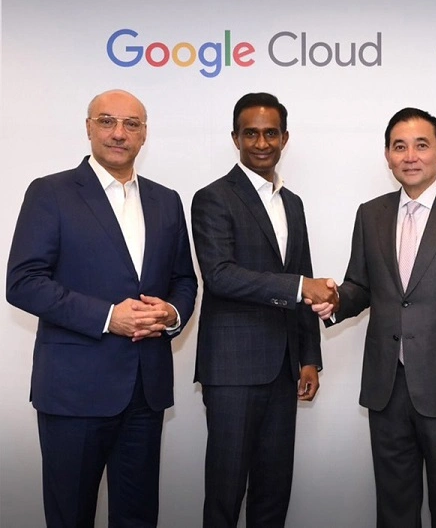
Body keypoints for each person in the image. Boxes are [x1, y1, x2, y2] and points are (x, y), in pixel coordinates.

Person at [6, 89, 198, 527]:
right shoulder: (51, 192)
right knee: (70, 516)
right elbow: (23, 283)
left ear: (144, 134)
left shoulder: (166, 200)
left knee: (138, 517)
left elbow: (184, 280)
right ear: (88, 128)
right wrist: (109, 318)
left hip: (145, 391)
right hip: (74, 393)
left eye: (132, 124)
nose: (119, 133)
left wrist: (171, 314)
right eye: (107, 121)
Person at [310, 107, 436, 527]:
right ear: (387, 155)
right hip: (387, 388)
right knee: (394, 509)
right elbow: (361, 286)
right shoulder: (371, 213)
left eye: (421, 145)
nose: (410, 156)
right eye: (399, 147)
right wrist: (336, 301)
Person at [191, 92, 335, 528]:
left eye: (270, 133)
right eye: (250, 133)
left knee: (274, 494)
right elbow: (220, 275)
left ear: (284, 138)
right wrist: (299, 287)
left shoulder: (293, 203)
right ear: (235, 137)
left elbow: (302, 274)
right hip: (232, 370)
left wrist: (309, 358)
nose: (261, 143)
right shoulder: (212, 198)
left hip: (284, 370)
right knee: (225, 494)